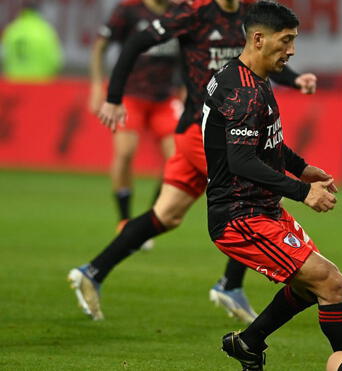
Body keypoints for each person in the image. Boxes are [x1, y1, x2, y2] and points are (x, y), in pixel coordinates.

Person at [67, 0, 317, 323]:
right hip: (204, 131)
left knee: (166, 215)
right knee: (255, 190)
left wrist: (294, 79)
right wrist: (114, 97)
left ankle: (93, 271)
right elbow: (134, 43)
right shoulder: (193, 12)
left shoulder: (251, 14)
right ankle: (230, 284)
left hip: (207, 132)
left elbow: (263, 59)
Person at [202, 3, 342, 369]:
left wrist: (302, 168)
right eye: (286, 40)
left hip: (261, 209)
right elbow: (242, 161)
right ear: (259, 39)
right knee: (331, 283)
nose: (292, 50)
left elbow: (264, 143)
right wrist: (304, 193)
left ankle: (249, 342)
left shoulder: (247, 77)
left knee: (311, 285)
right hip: (239, 217)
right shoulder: (243, 92)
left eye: (294, 41)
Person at [90, 0, 181, 249]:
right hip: (130, 95)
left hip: (164, 97)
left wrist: (186, 87)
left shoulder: (179, 11)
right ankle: (124, 219)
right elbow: (100, 45)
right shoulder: (129, 9)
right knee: (125, 152)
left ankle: (148, 222)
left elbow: (189, 50)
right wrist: (98, 85)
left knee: (175, 159)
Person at [1, 0, 63, 82]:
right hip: (38, 86)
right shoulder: (45, 32)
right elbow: (56, 61)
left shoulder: (12, 30)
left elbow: (3, 57)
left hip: (14, 86)